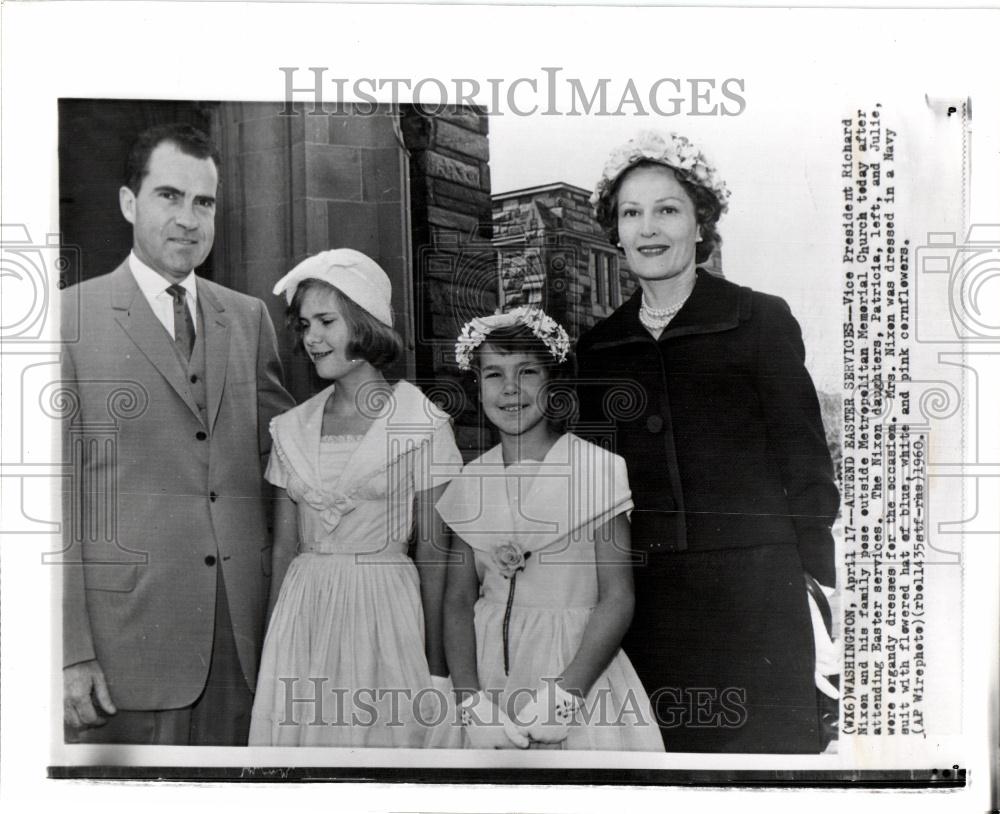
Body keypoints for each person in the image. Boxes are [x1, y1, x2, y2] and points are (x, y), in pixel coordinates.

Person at [575, 131, 839, 753]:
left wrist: (813, 576)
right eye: (631, 213)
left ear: (700, 223)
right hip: (649, 605)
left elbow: (803, 457)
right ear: (614, 231)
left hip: (757, 593)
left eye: (667, 209)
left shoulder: (759, 319)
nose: (649, 228)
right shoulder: (597, 348)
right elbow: (590, 488)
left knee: (762, 764)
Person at [61, 123, 294, 745]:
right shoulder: (67, 321)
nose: (188, 219)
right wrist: (67, 650)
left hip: (244, 638)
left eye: (205, 202)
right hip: (123, 645)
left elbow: (288, 463)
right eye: (169, 196)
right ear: (128, 203)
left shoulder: (248, 319)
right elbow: (48, 507)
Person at [248, 249, 462, 747]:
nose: (312, 338)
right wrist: (271, 648)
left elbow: (434, 554)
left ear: (365, 323)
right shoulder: (293, 427)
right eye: (304, 325)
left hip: (385, 612)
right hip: (304, 613)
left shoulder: (421, 422)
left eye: (326, 321)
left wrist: (436, 662)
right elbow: (284, 549)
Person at [438, 308, 664, 751]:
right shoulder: (471, 480)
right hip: (488, 674)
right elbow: (458, 599)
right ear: (477, 385)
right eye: (493, 374)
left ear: (554, 382)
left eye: (527, 372)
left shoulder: (596, 470)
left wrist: (567, 695)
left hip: (577, 668)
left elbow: (617, 596)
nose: (509, 389)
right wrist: (470, 701)